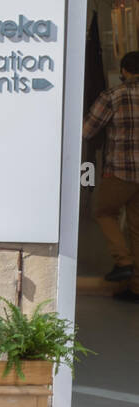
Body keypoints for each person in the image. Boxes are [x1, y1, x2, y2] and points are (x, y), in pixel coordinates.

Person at [83, 51, 139, 301]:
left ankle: (123, 261)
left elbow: (87, 130)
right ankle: (135, 288)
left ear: (124, 71)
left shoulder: (113, 95)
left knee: (103, 212)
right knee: (136, 229)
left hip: (120, 171)